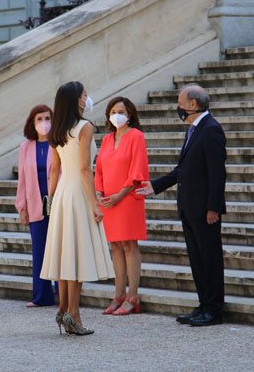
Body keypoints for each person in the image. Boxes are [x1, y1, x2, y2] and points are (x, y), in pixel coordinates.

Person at [136, 84, 226, 327]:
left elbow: (217, 174)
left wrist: (213, 208)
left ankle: (214, 309)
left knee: (210, 259)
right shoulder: (194, 130)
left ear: (192, 104)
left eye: (180, 102)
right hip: (189, 207)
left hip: (204, 210)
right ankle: (204, 304)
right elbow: (182, 170)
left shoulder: (211, 129)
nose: (178, 107)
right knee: (197, 259)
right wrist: (155, 186)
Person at [41, 81, 114, 336]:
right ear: (76, 100)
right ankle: (73, 314)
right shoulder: (85, 126)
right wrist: (95, 202)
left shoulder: (57, 129)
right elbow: (84, 169)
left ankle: (64, 310)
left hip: (62, 194)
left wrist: (50, 202)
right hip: (78, 194)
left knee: (65, 254)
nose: (87, 98)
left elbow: (54, 170)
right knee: (77, 254)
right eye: (84, 95)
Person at [95, 97, 149, 316]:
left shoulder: (136, 136)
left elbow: (138, 171)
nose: (117, 115)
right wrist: (99, 192)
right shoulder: (107, 139)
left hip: (127, 198)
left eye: (121, 112)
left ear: (130, 115)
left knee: (129, 244)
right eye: (113, 112)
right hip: (109, 200)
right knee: (115, 246)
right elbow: (99, 169)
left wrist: (119, 195)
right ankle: (118, 295)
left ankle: (132, 296)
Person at [15, 104, 56, 307]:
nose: (43, 123)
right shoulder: (26, 147)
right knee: (39, 251)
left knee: (60, 249)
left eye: (47, 118)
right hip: (35, 205)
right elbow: (22, 179)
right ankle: (42, 296)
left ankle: (65, 294)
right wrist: (22, 207)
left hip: (57, 203)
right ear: (32, 122)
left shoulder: (59, 144)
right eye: (39, 119)